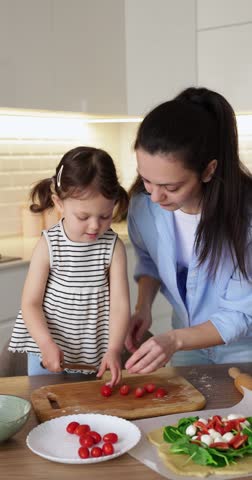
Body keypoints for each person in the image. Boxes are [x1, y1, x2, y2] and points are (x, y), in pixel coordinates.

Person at [124, 86, 252, 374]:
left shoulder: (246, 221)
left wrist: (173, 340)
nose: (155, 197)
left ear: (208, 171)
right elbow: (149, 261)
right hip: (185, 343)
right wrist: (142, 307)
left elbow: (241, 314)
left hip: (243, 350)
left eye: (171, 187)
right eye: (146, 180)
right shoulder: (143, 207)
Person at [9, 146, 130, 386]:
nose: (95, 226)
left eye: (105, 216)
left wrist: (115, 348)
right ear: (59, 203)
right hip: (47, 351)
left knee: (85, 408)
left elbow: (119, 304)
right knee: (46, 404)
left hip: (92, 353)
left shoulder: (113, 247)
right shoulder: (49, 244)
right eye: (83, 217)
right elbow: (30, 303)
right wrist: (45, 344)